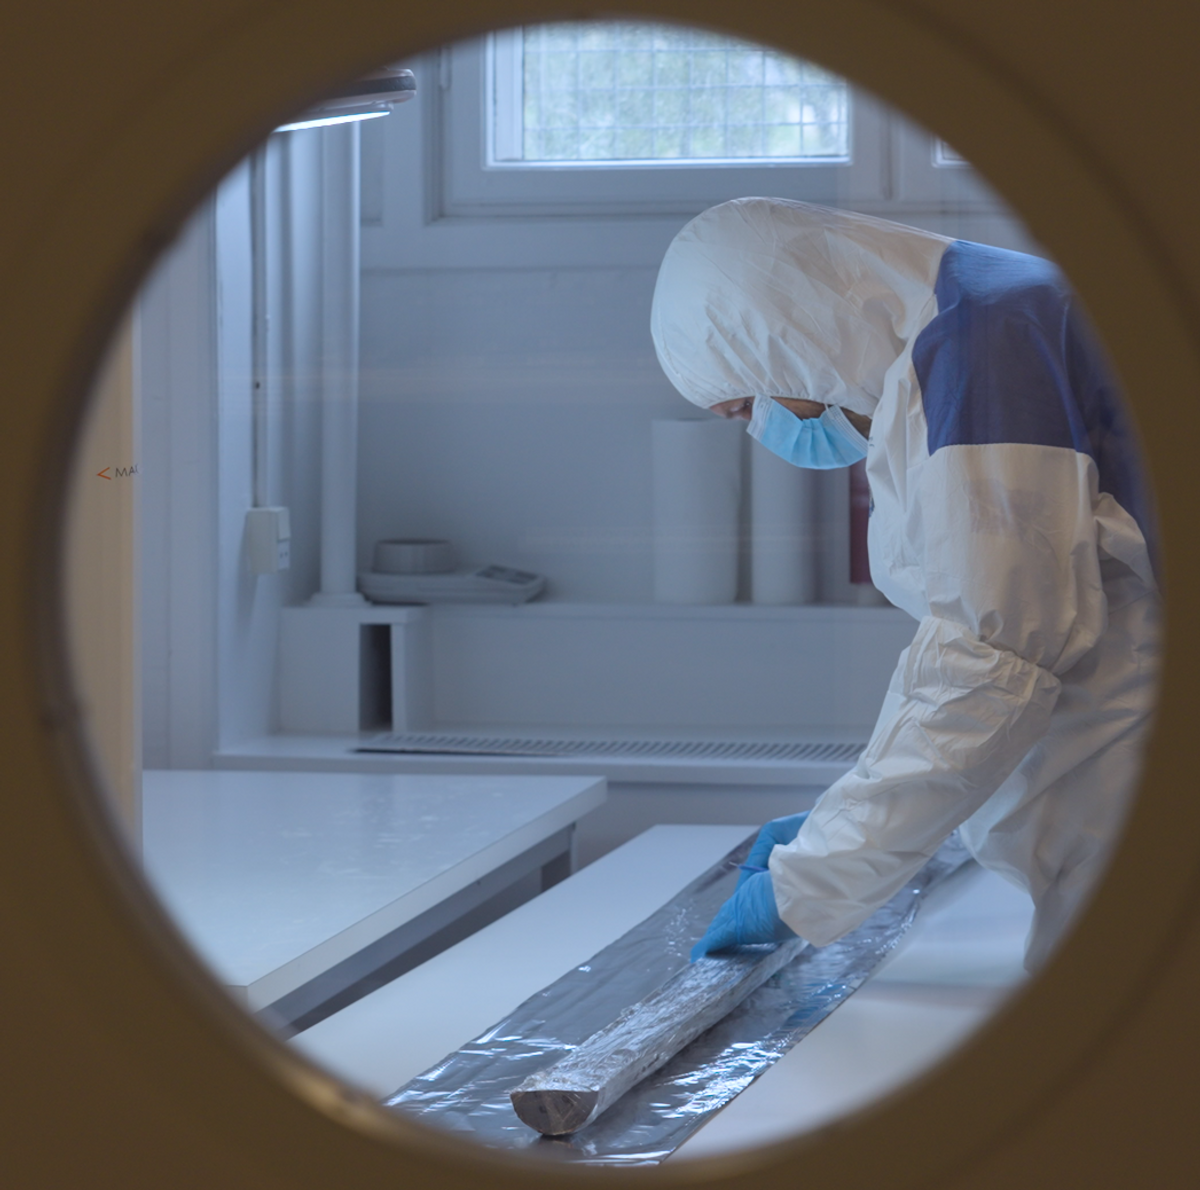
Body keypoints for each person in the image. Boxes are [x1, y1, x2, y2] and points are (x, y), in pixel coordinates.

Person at [650, 197, 1160, 971]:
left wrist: (811, 879)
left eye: (746, 405)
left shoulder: (979, 347)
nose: (760, 428)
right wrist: (855, 817)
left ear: (789, 332)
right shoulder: (976, 323)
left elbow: (989, 665)